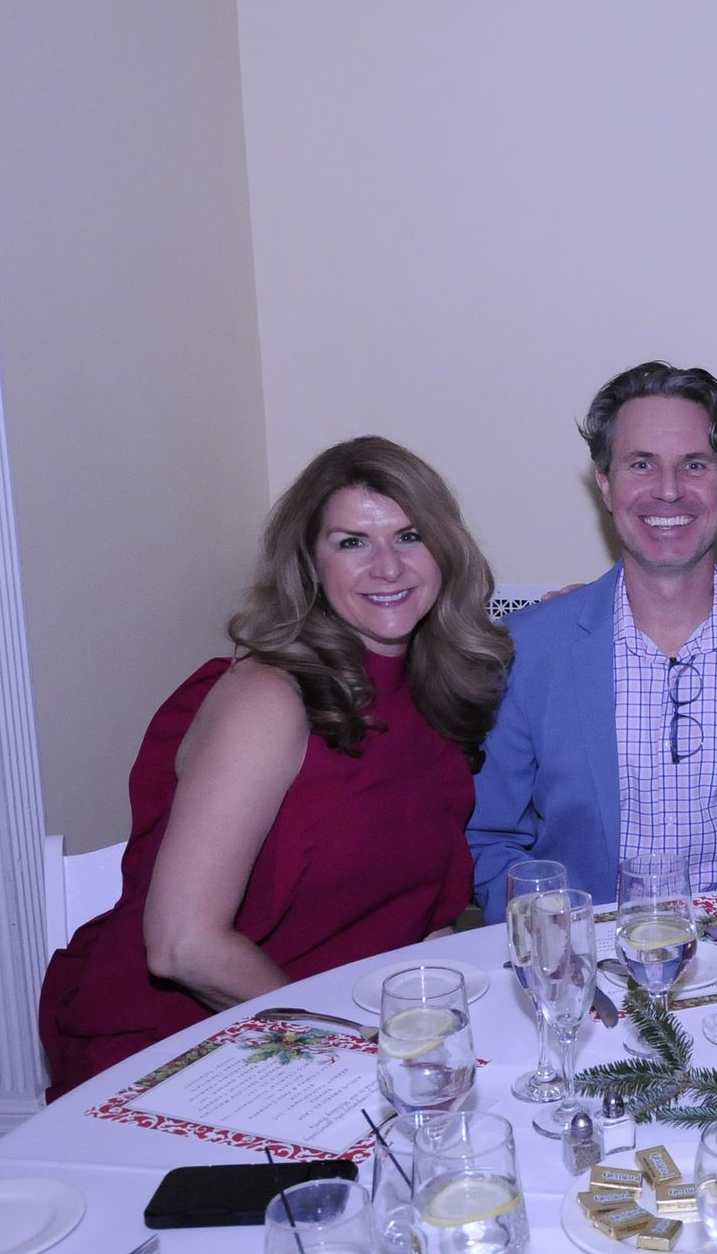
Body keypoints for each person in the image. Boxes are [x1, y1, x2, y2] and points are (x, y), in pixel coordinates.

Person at [39, 438, 510, 1099]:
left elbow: (418, 920)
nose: (387, 566)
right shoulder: (268, 698)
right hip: (195, 1047)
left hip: (348, 1041)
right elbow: (182, 944)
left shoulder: (432, 694)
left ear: (445, 549)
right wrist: (346, 1049)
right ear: (310, 564)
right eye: (352, 541)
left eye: (409, 535)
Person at [467, 361, 717, 912]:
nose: (668, 490)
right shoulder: (529, 649)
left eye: (694, 465)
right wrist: (557, 944)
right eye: (641, 464)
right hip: (589, 966)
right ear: (605, 484)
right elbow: (491, 840)